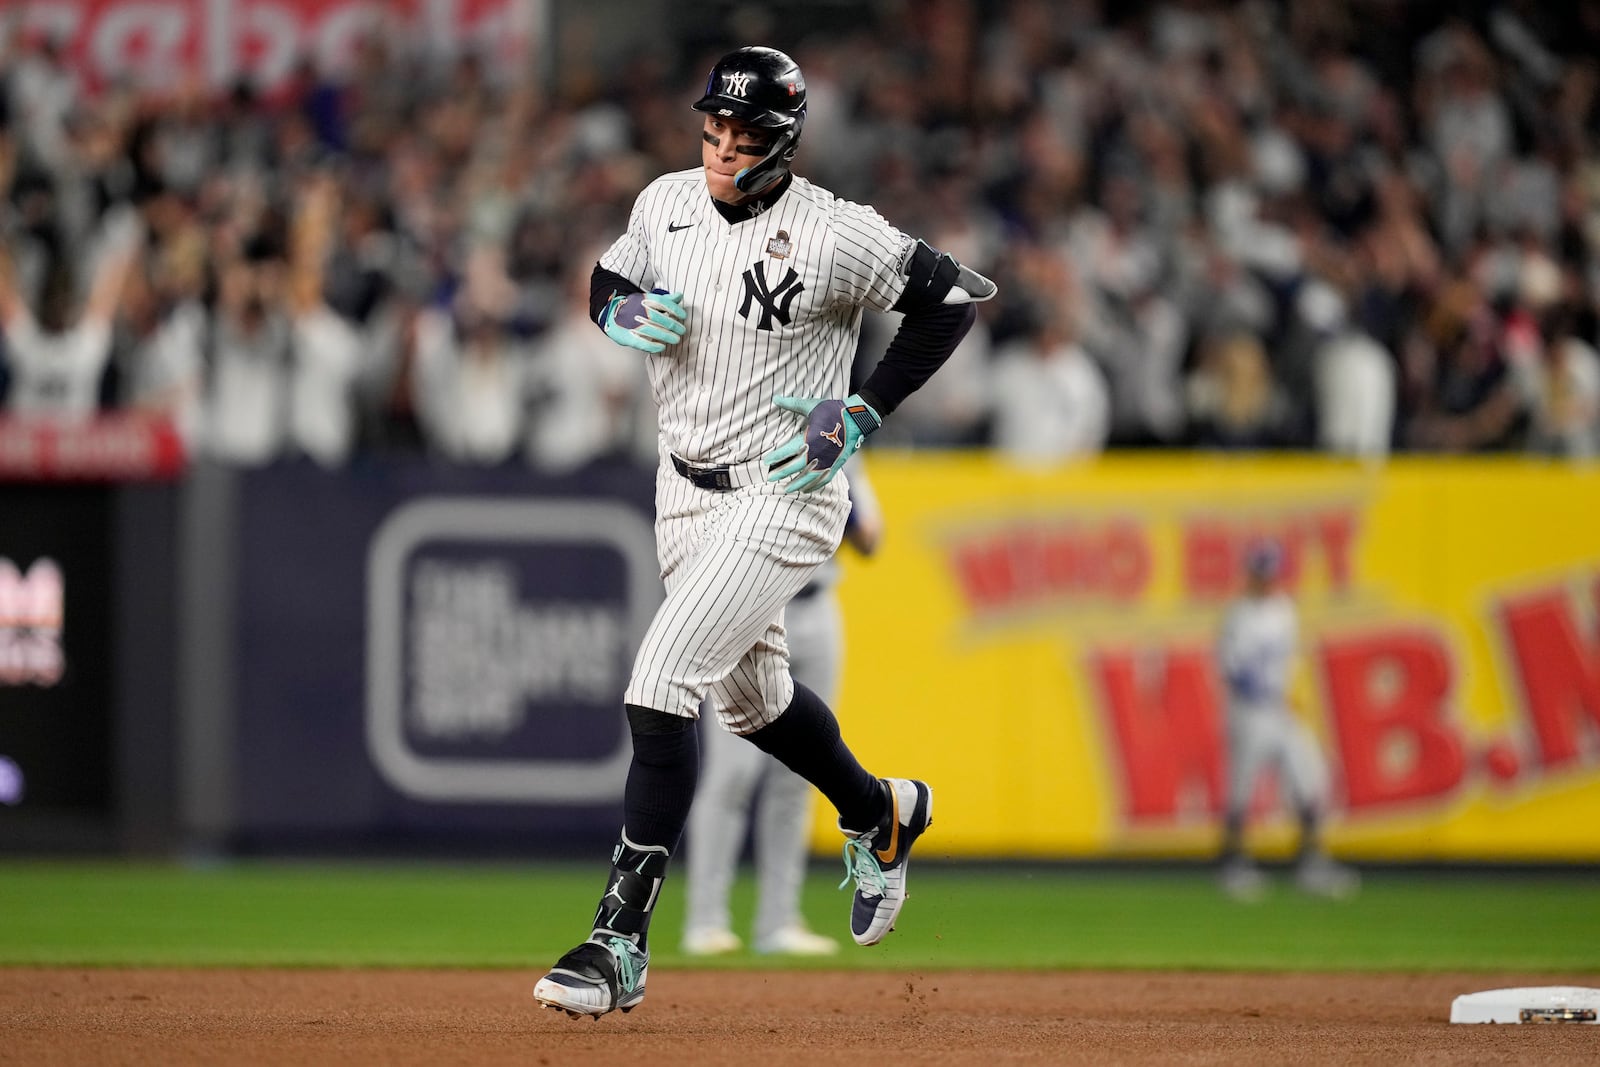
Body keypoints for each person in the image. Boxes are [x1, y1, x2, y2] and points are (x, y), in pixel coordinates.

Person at [533, 45, 994, 1019]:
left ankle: (618, 937)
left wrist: (861, 412)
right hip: (685, 490)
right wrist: (617, 307)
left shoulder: (833, 232)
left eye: (742, 134)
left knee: (661, 682)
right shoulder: (663, 201)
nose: (722, 148)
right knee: (755, 704)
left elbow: (950, 298)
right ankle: (880, 808)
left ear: (784, 139)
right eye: (713, 128)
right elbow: (609, 276)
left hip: (787, 488)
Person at [681, 455, 882, 958]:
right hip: (750, 605)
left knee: (801, 775)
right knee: (733, 772)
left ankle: (778, 921)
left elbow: (871, 540)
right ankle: (704, 920)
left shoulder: (840, 444)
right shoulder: (746, 440)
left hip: (818, 606)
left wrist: (836, 475)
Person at [1215, 540, 1359, 902]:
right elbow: (1233, 671)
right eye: (1260, 572)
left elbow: (1290, 663)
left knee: (1307, 777)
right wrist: (1266, 697)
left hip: (1280, 710)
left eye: (1270, 572)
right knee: (1242, 788)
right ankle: (1233, 863)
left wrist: (1286, 699)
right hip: (1249, 711)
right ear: (1250, 574)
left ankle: (1310, 862)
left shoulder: (1284, 611)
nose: (1266, 579)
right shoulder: (1238, 615)